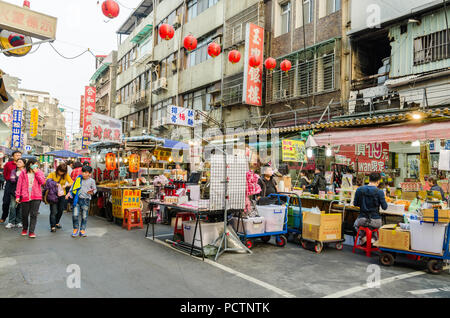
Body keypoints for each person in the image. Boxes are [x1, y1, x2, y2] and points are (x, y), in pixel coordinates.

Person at [353, 172, 388, 245]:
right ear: (378, 181)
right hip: (376, 221)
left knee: (356, 225)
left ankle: (363, 237)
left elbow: (355, 204)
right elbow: (385, 207)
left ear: (369, 179)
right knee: (376, 228)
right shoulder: (380, 192)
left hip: (362, 219)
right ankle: (373, 239)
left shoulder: (359, 189)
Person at [16, 159, 46, 238]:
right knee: (24, 214)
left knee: (34, 214)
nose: (35, 166)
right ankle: (25, 228)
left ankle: (31, 231)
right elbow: (19, 185)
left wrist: (36, 172)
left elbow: (42, 182)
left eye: (36, 165)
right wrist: (17, 196)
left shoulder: (39, 172)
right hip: (25, 196)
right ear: (29, 164)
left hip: (36, 196)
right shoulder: (24, 172)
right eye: (34, 164)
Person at [66, 165, 97, 238]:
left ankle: (82, 230)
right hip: (77, 199)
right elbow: (73, 187)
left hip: (86, 200)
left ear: (90, 174)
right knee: (75, 215)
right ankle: (75, 229)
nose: (84, 174)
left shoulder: (92, 181)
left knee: (84, 216)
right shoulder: (78, 179)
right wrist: (69, 193)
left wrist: (92, 192)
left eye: (86, 173)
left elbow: (95, 189)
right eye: (83, 172)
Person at [47, 164, 73, 232]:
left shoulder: (66, 175)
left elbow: (71, 182)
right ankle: (52, 226)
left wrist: (66, 185)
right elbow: (46, 182)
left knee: (61, 210)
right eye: (60, 171)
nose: (61, 173)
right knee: (53, 211)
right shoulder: (52, 174)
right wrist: (55, 184)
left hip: (62, 194)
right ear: (57, 169)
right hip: (53, 194)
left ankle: (57, 222)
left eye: (63, 172)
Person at [1, 151, 22, 223]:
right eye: (16, 155)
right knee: (6, 202)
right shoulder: (8, 164)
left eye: (19, 155)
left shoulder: (23, 165)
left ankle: (16, 219)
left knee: (17, 202)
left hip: (19, 185)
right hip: (9, 184)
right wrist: (8, 179)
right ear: (13, 156)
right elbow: (5, 173)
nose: (18, 156)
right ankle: (4, 216)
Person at [5, 158, 26, 229]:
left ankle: (18, 222)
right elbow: (12, 180)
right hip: (14, 191)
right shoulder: (14, 171)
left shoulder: (26, 172)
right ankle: (11, 222)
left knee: (20, 207)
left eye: (20, 162)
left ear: (24, 164)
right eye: (17, 162)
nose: (18, 163)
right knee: (12, 207)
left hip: (23, 193)